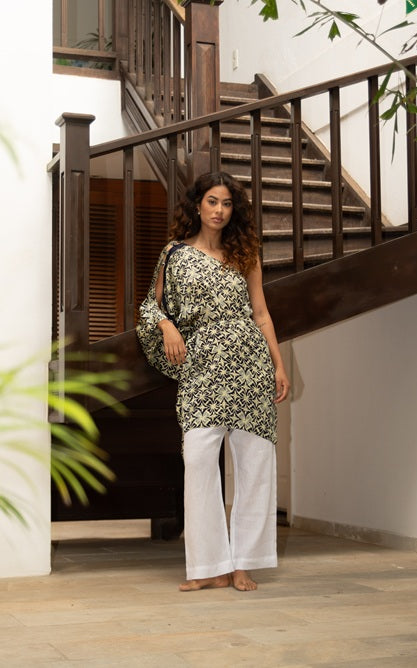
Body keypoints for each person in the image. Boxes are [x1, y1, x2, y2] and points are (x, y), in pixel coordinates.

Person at [137, 171, 290, 592]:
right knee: (200, 460)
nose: (219, 210)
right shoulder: (174, 253)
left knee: (256, 465)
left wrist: (278, 365)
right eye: (212, 201)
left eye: (226, 203)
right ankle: (209, 567)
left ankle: (244, 564)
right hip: (202, 366)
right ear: (197, 205)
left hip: (249, 364)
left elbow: (261, 314)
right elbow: (151, 305)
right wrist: (167, 326)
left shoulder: (245, 253)